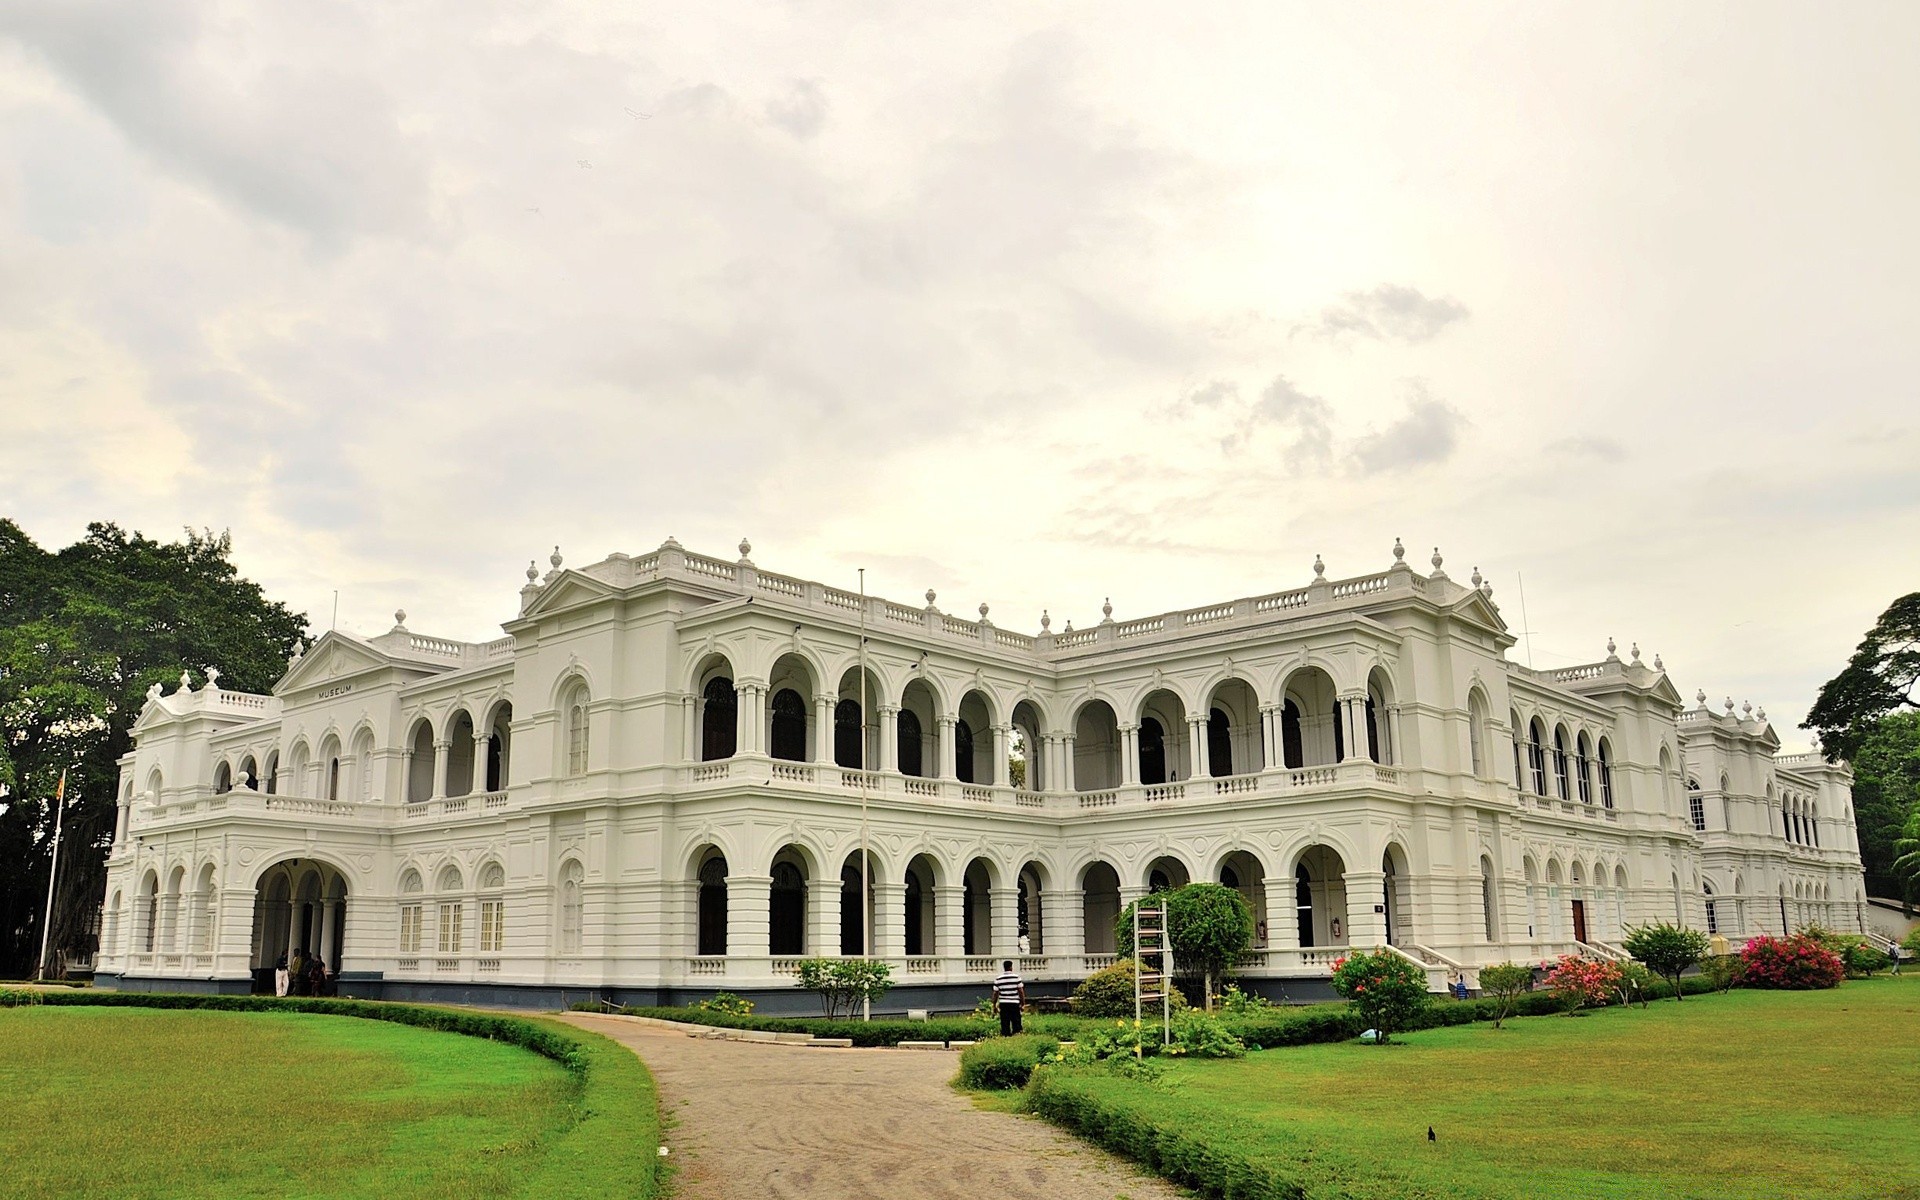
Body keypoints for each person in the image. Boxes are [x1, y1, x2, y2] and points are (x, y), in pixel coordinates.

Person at [992, 960, 1025, 1036]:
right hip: (1014, 1003)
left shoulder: (998, 979)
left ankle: (1006, 1036)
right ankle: (1017, 1036)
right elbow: (1021, 991)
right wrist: (1023, 1003)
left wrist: (994, 1005)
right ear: (1011, 967)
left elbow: (995, 993)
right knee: (1016, 1022)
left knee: (1005, 1022)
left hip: (1003, 1003)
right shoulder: (1016, 977)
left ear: (1004, 967)